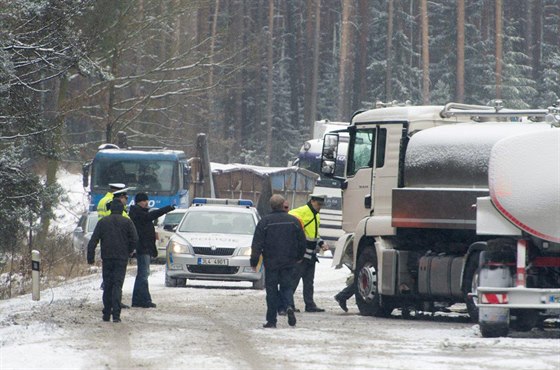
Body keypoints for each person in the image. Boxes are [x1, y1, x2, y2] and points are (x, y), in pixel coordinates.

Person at [250, 194, 306, 328]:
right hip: (289, 261)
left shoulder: (265, 222)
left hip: (271, 262)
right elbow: (302, 242)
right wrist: (299, 256)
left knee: (272, 291)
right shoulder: (294, 221)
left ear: (271, 206)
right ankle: (288, 306)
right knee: (287, 287)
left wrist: (254, 261)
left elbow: (257, 243)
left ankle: (271, 320)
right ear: (283, 205)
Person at [87, 199, 138, 323]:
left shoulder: (103, 222)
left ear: (110, 209)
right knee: (117, 285)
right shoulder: (127, 222)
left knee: (108, 284)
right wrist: (130, 251)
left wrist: (91, 257)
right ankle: (116, 315)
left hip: (107, 257)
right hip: (121, 258)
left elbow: (93, 240)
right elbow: (135, 239)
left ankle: (106, 313)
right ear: (122, 210)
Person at [129, 192, 175, 308]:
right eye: (144, 201)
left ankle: (141, 299)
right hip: (142, 248)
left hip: (146, 248)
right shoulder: (137, 213)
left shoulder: (141, 212)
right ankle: (142, 300)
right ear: (139, 202)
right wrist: (166, 209)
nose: (146, 203)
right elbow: (150, 216)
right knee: (143, 275)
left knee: (143, 274)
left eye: (147, 200)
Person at [288, 194, 329, 312]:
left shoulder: (316, 215)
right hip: (301, 255)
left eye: (322, 205)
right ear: (312, 201)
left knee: (309, 282)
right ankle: (289, 304)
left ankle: (309, 304)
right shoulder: (302, 211)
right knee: (294, 281)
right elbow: (290, 221)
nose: (320, 207)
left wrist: (321, 243)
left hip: (311, 255)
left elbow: (314, 234)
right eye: (318, 204)